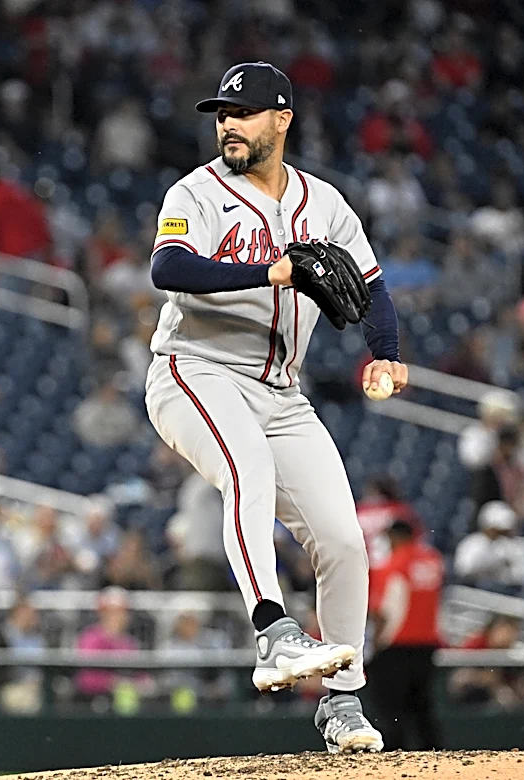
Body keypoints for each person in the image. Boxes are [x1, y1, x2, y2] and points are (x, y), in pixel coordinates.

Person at [145, 62, 408, 753]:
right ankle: (274, 631)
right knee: (248, 470)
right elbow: (168, 269)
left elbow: (372, 289)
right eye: (221, 114)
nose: (228, 124)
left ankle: (344, 705)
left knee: (345, 542)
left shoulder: (324, 203)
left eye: (244, 112)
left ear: (282, 119)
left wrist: (384, 351)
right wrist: (272, 271)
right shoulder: (196, 192)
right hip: (194, 371)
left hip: (281, 392)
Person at [368, 521, 444, 751]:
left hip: (396, 645)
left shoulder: (395, 563)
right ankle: (434, 758)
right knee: (422, 708)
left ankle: (393, 760)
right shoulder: (432, 560)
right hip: (427, 644)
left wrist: (376, 644)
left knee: (390, 711)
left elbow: (385, 611)